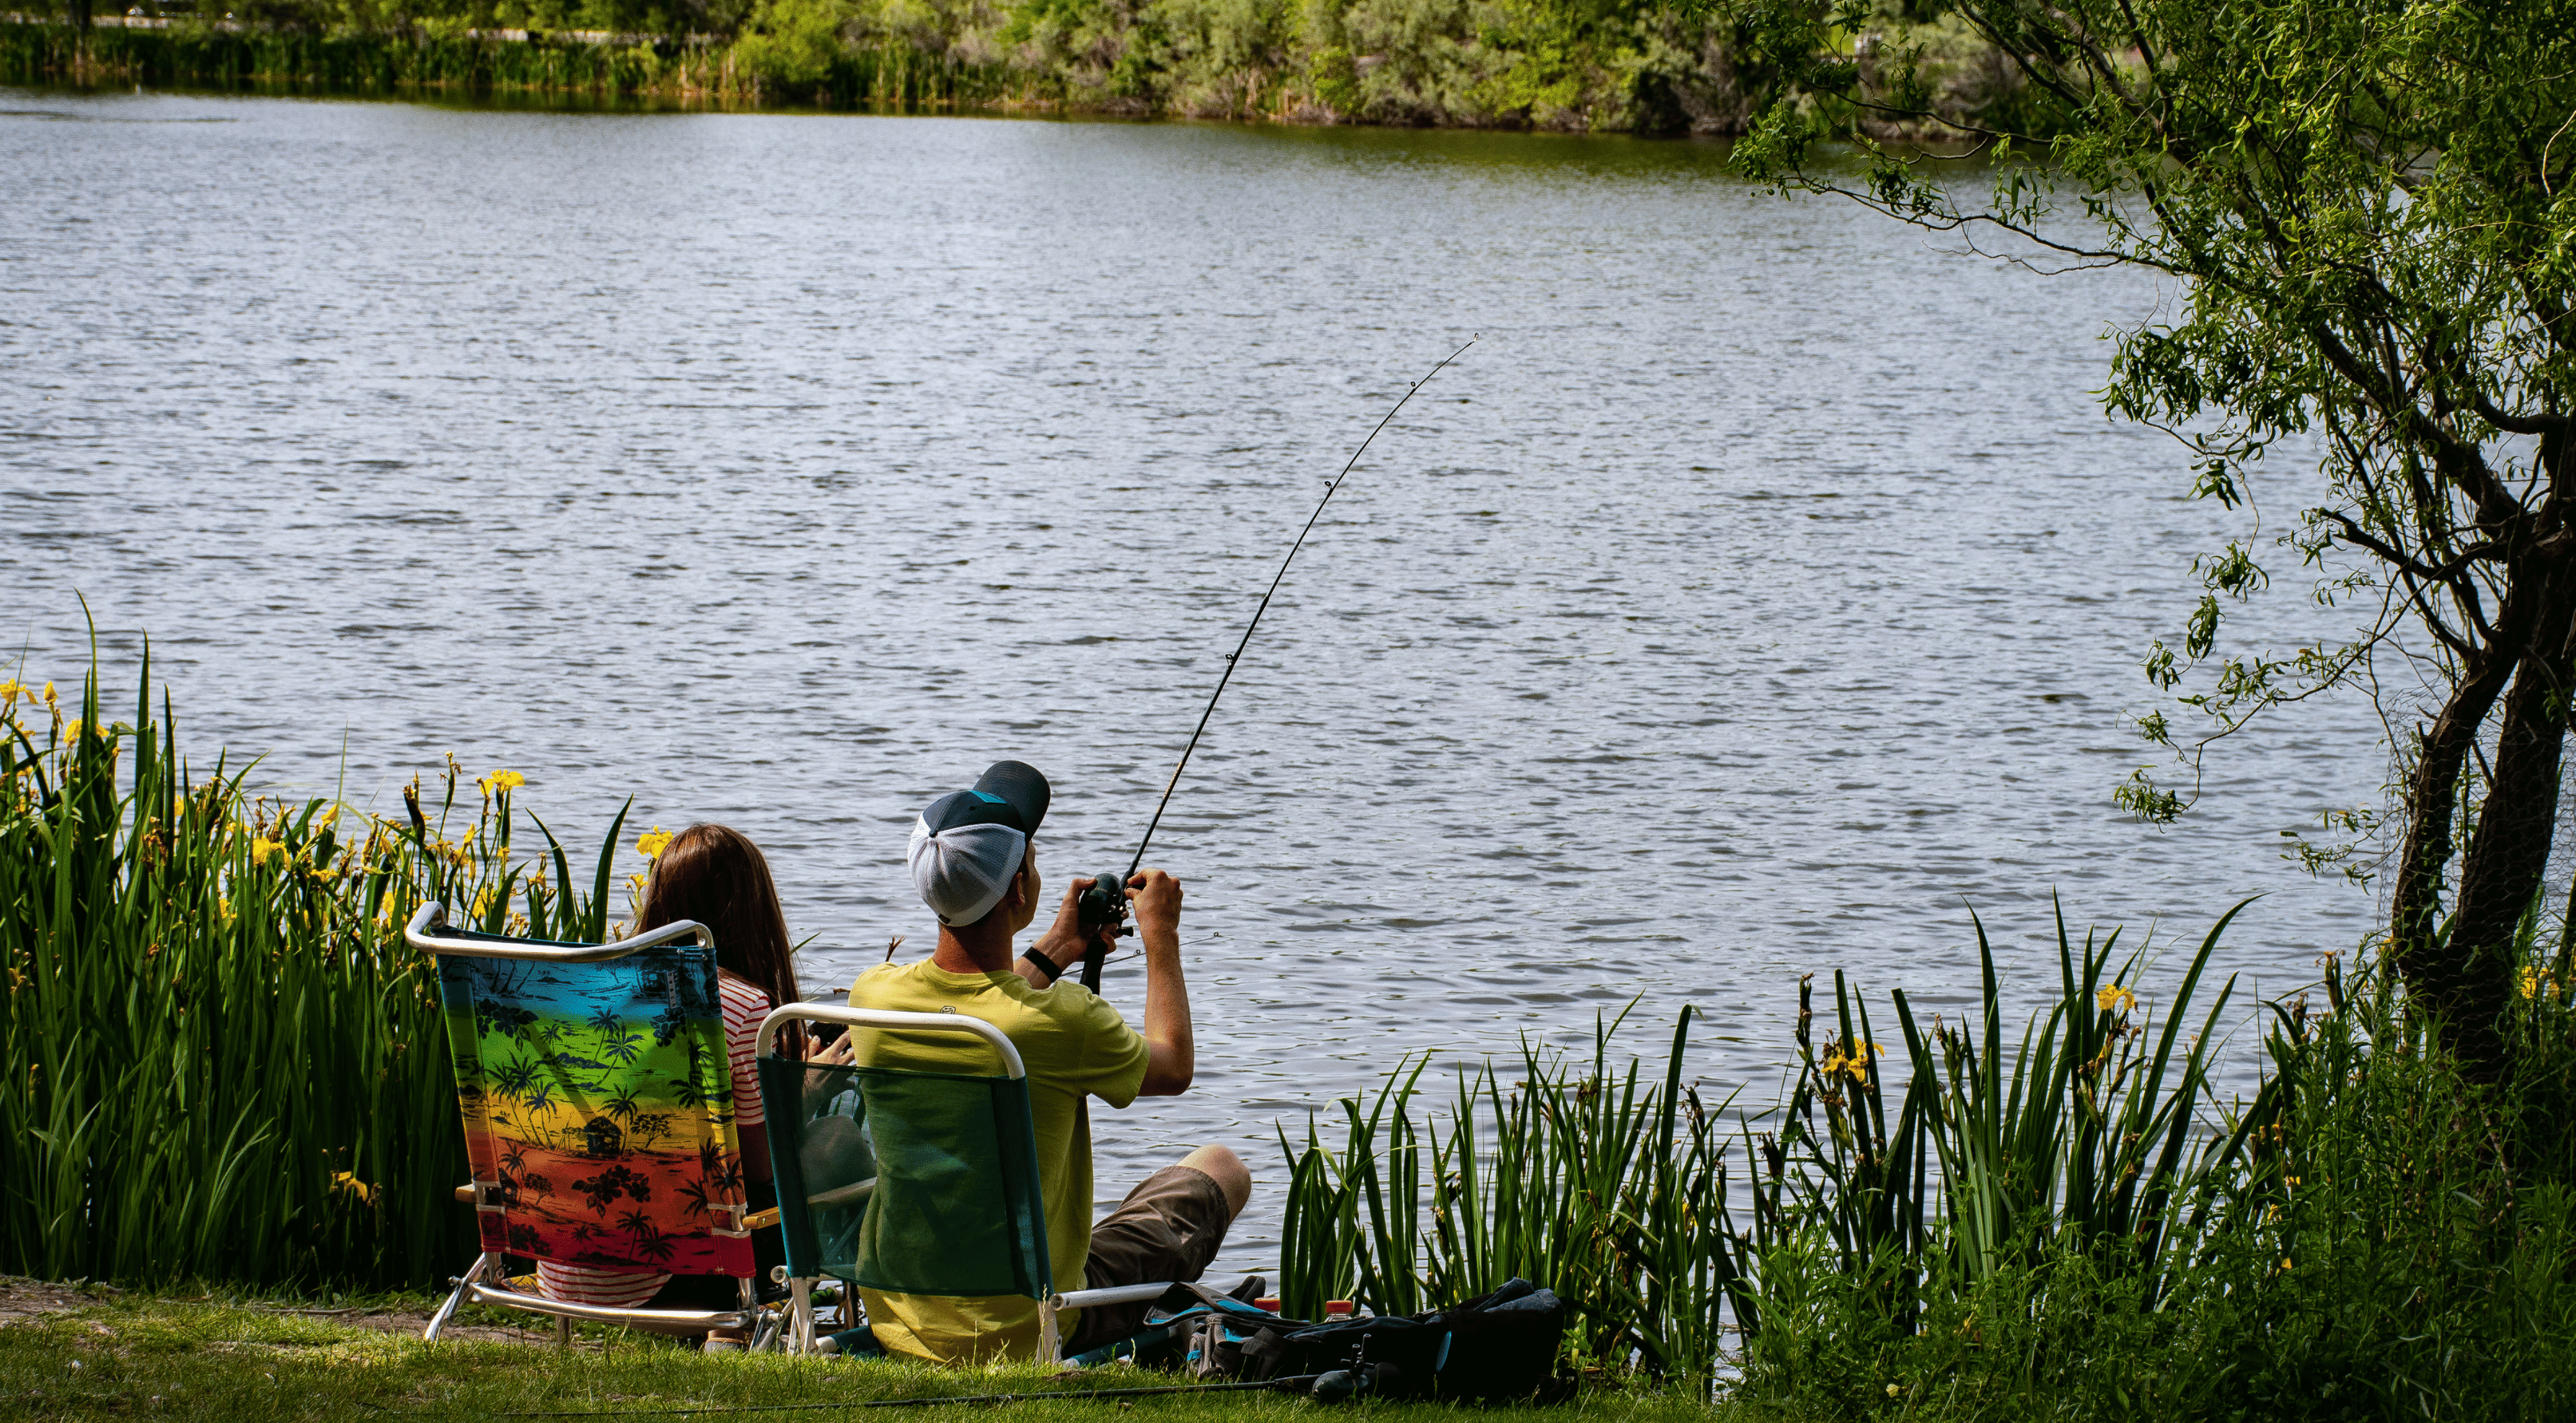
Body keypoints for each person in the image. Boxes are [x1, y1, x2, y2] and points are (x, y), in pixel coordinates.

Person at [841, 760, 1250, 1363]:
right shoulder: (1064, 1020)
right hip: (1028, 1324)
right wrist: (1161, 934)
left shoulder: (874, 998)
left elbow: (985, 1012)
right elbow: (1173, 1065)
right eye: (1031, 858)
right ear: (1018, 891)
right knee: (1221, 1167)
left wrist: (1061, 944)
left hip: (903, 1316)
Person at [535, 822, 801, 1346]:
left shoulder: (591, 995)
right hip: (662, 1280)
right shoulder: (743, 1006)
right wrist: (805, 1093)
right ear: (753, 911)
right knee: (797, 1179)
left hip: (565, 1266)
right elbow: (761, 1166)